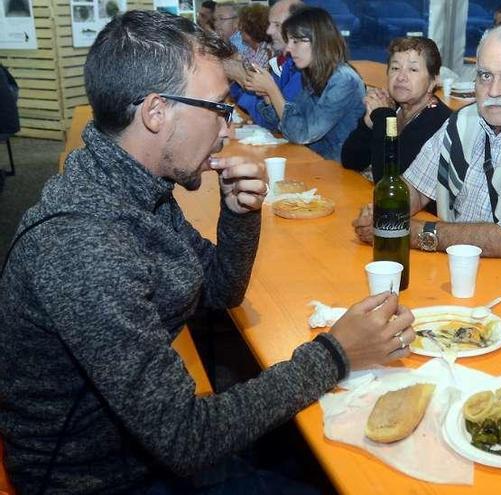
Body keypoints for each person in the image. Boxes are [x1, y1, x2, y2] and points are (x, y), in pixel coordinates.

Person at [0, 10, 415, 493]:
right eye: (218, 107)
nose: (226, 128)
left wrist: (238, 215)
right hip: (102, 477)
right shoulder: (86, 243)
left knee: (317, 447)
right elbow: (187, 437)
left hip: (140, 446)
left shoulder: (132, 187)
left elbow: (219, 292)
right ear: (156, 112)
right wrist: (336, 353)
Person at [352, 23, 501, 267]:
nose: (494, 91)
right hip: (462, 265)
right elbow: (415, 187)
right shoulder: (463, 121)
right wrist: (383, 213)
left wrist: (408, 231)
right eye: (485, 75)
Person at [247, 6, 365, 161]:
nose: (288, 48)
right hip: (313, 161)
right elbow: (283, 126)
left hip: (339, 170)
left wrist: (273, 90)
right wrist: (268, 96)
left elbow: (303, 134)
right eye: (288, 41)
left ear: (319, 41)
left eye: (296, 41)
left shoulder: (343, 80)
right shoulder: (312, 73)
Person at [341, 37, 451, 183]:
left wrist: (382, 117)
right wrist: (368, 124)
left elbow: (388, 182)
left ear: (433, 81)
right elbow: (350, 161)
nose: (401, 77)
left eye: (413, 69)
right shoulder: (394, 108)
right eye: (395, 68)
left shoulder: (438, 122)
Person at [229, 0, 303, 130]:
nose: (268, 31)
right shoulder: (284, 63)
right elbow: (271, 119)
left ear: (299, 27)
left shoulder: (301, 68)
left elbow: (285, 126)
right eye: (269, 24)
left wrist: (242, 77)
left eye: (277, 25)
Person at [237, 4, 272, 68]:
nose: (239, 28)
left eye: (242, 26)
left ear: (252, 28)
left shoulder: (269, 51)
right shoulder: (247, 50)